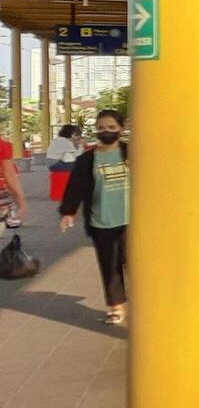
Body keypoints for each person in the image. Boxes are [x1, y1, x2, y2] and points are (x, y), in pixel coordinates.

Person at [59, 110, 128, 324]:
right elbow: (76, 187)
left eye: (111, 128)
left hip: (132, 220)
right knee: (110, 265)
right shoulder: (87, 160)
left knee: (137, 264)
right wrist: (68, 212)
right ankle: (116, 306)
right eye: (101, 128)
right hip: (102, 220)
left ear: (121, 129)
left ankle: (144, 303)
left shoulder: (134, 152)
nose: (106, 132)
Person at [44, 124, 81, 202]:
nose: (76, 136)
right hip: (56, 165)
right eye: (75, 134)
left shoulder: (58, 139)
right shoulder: (66, 142)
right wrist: (81, 145)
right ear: (70, 133)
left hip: (52, 164)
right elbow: (77, 155)